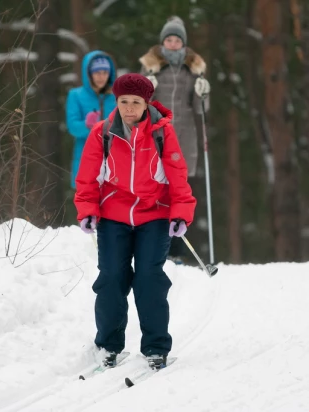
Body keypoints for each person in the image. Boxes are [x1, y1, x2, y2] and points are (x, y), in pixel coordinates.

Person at [74, 73, 196, 370]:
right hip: (113, 216)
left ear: (147, 104)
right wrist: (87, 208)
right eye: (123, 102)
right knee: (112, 277)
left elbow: (178, 176)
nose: (129, 108)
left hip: (154, 214)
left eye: (136, 102)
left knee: (148, 278)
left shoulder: (161, 133)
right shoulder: (103, 133)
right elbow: (88, 177)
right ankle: (108, 345)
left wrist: (180, 212)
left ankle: (155, 347)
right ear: (116, 102)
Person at [138, 16, 211, 262]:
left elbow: (201, 110)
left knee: (179, 194)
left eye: (176, 40)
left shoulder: (194, 69)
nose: (172, 43)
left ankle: (177, 251)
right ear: (162, 42)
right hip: (156, 136)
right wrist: (145, 88)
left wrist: (203, 93)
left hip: (184, 137)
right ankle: (156, 248)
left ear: (183, 43)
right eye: (168, 39)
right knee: (157, 192)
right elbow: (137, 107)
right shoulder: (150, 67)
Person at [66, 51, 117, 190]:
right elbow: (72, 127)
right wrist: (87, 125)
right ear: (89, 74)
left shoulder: (117, 97)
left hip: (115, 161)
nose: (101, 77)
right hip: (86, 160)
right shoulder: (75, 95)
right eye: (97, 72)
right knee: (88, 208)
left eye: (105, 72)